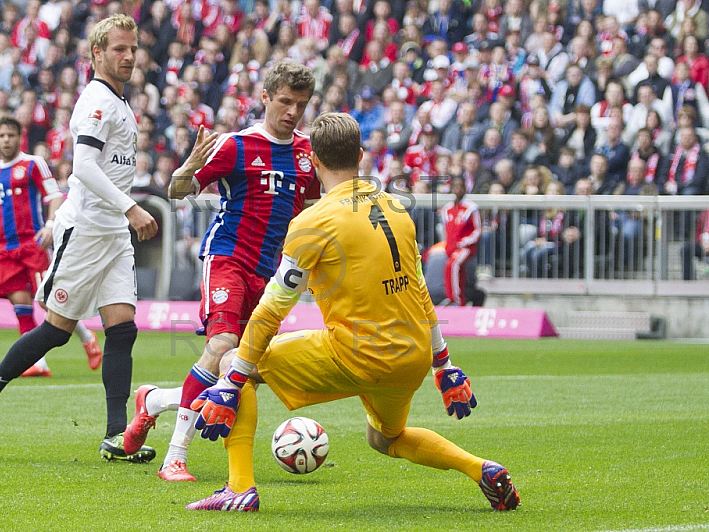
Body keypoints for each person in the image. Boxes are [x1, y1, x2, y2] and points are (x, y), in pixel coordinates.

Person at [182, 113, 519, 512]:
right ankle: (481, 469)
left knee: (232, 361)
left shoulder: (312, 221)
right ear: (360, 156)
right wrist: (443, 365)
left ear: (313, 159)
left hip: (356, 352)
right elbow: (420, 290)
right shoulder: (397, 209)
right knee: (385, 439)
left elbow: (272, 310)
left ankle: (239, 489)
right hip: (410, 355)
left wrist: (232, 383)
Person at [0, 15, 159, 463]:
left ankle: (117, 436)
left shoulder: (121, 103)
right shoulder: (96, 100)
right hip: (87, 229)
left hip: (114, 235)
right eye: (118, 50)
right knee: (55, 331)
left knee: (123, 331)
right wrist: (130, 207)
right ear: (97, 53)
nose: (128, 56)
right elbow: (84, 168)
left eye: (132, 49)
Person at [124, 61, 320, 482]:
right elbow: (178, 191)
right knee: (222, 346)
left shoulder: (308, 153)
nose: (292, 112)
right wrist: (189, 165)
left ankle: (155, 400)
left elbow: (310, 212)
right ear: (266, 97)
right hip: (228, 257)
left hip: (273, 274)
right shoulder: (236, 145)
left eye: (300, 105)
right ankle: (174, 458)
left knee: (244, 366)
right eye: (285, 101)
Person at [0, 116, 103, 378]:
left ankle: (87, 338)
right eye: (1, 136)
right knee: (20, 306)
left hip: (32, 243)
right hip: (6, 248)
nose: (6, 140)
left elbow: (54, 195)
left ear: (20, 137)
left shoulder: (33, 164)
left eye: (10, 135)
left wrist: (49, 225)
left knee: (49, 302)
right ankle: (38, 363)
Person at [441, 175, 481, 305]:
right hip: (451, 247)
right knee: (458, 272)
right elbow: (446, 229)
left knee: (452, 265)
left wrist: (465, 242)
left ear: (465, 188)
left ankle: (454, 299)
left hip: (466, 247)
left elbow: (477, 230)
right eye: (455, 186)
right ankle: (460, 300)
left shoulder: (471, 208)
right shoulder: (447, 209)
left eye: (461, 187)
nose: (458, 189)